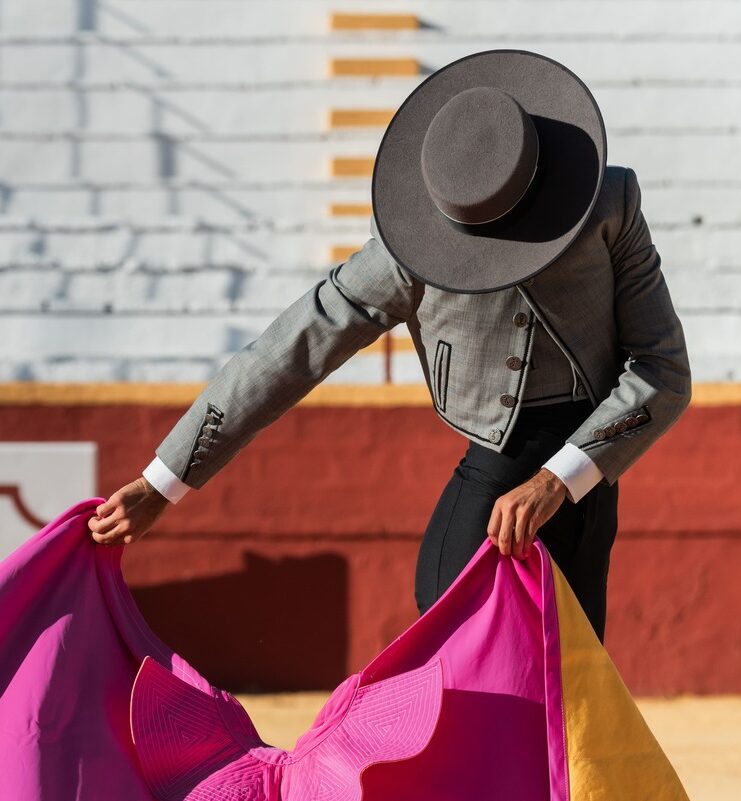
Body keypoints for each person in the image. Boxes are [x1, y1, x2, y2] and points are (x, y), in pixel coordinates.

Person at [88, 50, 692, 645]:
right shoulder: (410, 249)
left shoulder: (608, 202)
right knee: (457, 646)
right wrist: (162, 480)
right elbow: (289, 352)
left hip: (588, 469)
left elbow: (663, 372)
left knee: (568, 693)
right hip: (496, 452)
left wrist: (559, 480)